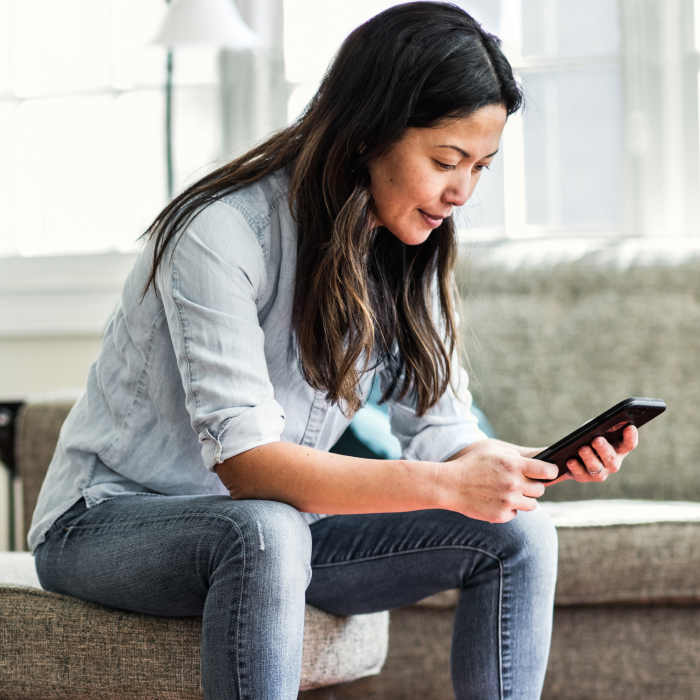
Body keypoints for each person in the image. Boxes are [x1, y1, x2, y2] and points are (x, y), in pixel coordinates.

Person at [29, 3, 638, 699]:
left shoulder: (408, 249)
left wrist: (525, 468)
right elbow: (249, 468)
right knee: (263, 531)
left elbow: (443, 433)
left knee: (522, 535)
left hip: (282, 531)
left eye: (480, 167)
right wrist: (445, 486)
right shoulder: (222, 233)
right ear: (365, 134)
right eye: (446, 160)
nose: (461, 191)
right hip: (105, 523)